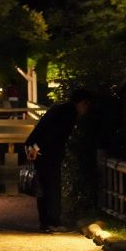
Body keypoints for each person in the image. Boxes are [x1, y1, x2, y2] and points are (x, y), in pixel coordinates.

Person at [25, 89, 92, 233]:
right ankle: (52, 222)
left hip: (39, 150)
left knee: (42, 189)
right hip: (48, 153)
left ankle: (45, 223)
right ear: (82, 103)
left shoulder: (58, 108)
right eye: (86, 106)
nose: (85, 111)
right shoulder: (69, 113)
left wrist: (32, 146)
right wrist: (36, 148)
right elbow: (53, 133)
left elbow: (43, 127)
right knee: (51, 188)